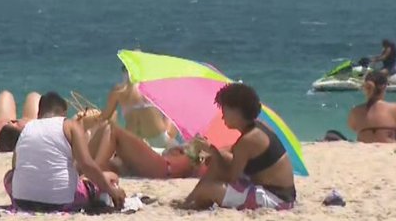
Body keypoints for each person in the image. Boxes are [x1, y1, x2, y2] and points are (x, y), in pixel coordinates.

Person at [177, 83, 296, 211]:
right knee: (220, 161)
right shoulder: (257, 128)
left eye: (224, 110)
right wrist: (212, 154)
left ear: (237, 112)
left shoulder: (248, 140)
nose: (222, 116)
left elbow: (231, 177)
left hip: (276, 199)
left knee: (208, 188)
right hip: (275, 192)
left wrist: (213, 152)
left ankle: (194, 201)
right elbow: (233, 151)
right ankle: (191, 200)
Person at [5, 91, 125, 212]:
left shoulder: (26, 129)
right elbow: (87, 165)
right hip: (61, 202)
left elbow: (15, 168)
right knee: (111, 177)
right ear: (63, 113)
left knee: (9, 176)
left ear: (39, 113)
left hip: (22, 202)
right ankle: (102, 199)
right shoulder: (70, 125)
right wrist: (111, 190)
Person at [89, 120, 205, 179]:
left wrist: (195, 148)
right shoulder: (186, 152)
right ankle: (81, 166)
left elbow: (198, 170)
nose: (198, 137)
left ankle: (95, 170)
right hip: (161, 166)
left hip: (164, 167)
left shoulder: (201, 155)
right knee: (105, 127)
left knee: (112, 130)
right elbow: (167, 152)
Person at [97, 67, 179, 146]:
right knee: (172, 116)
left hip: (133, 142)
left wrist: (94, 114)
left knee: (113, 116)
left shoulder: (118, 90)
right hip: (159, 140)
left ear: (125, 72)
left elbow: (105, 116)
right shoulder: (153, 87)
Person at [347, 70, 396, 143]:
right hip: (389, 149)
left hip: (364, 149)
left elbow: (354, 128)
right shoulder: (395, 108)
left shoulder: (355, 111)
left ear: (366, 87)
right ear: (384, 87)